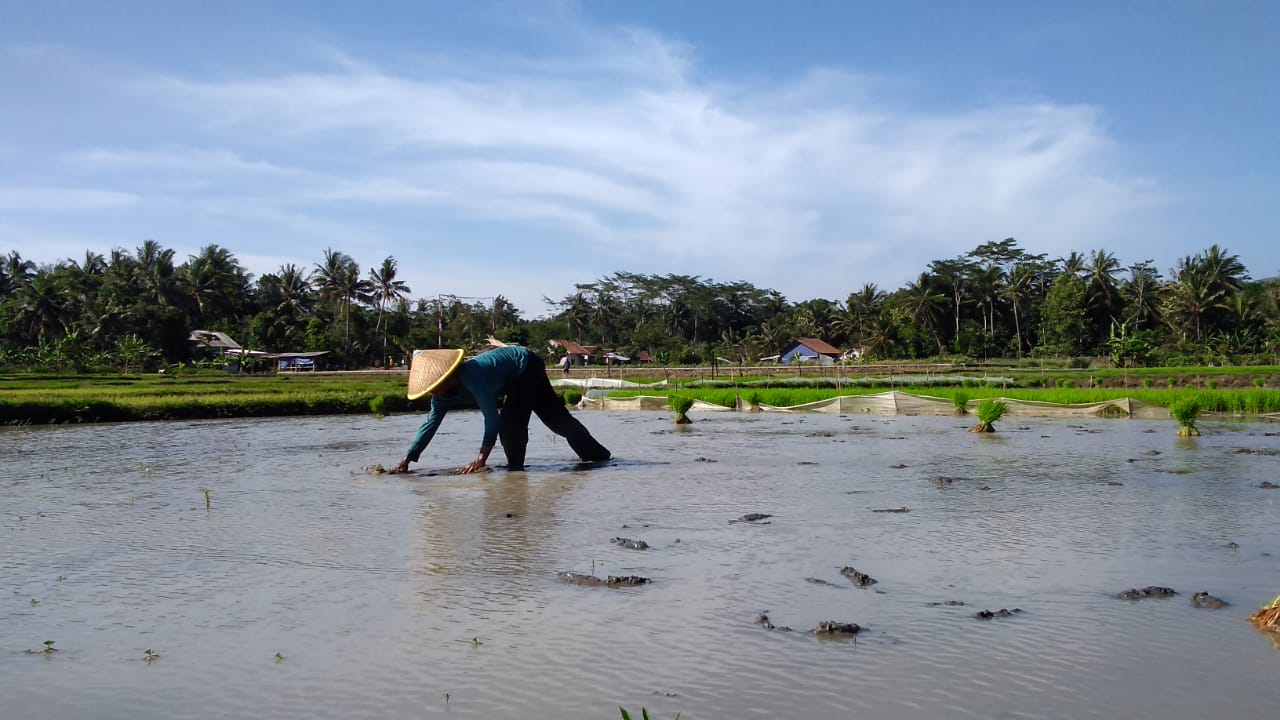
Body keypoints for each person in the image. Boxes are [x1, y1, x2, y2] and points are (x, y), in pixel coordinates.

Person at [392, 345, 610, 474]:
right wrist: (408, 459)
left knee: (513, 423)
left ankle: (515, 472)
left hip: (526, 366)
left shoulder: (471, 376)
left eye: (433, 386)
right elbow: (429, 425)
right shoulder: (440, 398)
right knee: (555, 417)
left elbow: (492, 419)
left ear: (445, 377)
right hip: (512, 376)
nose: (431, 392)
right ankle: (599, 456)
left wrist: (481, 458)